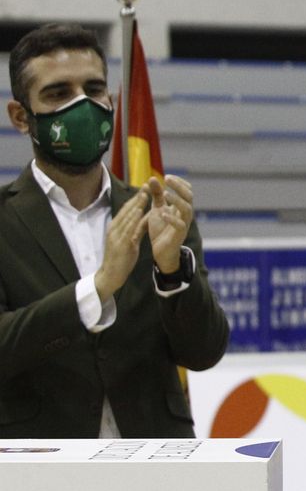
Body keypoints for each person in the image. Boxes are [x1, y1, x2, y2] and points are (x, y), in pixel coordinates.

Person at [0, 23, 228, 438]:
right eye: (58, 93)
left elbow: (204, 351)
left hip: (155, 463)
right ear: (20, 116)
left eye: (94, 89)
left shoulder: (159, 211)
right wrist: (100, 287)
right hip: (36, 474)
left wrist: (172, 271)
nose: (82, 105)